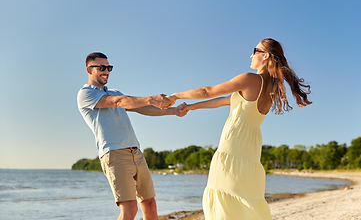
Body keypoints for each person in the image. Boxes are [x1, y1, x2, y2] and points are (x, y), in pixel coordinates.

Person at [169, 38, 312, 220]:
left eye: (255, 50)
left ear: (265, 56)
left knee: (223, 203)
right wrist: (190, 107)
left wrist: (175, 96)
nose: (251, 55)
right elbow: (225, 101)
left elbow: (208, 91)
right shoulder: (269, 89)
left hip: (233, 147)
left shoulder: (250, 79)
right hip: (250, 153)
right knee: (244, 202)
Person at [77, 52, 182, 220]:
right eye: (102, 68)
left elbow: (140, 108)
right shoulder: (86, 94)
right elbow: (118, 102)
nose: (106, 71)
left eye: (109, 68)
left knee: (150, 204)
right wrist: (151, 98)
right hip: (114, 154)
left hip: (136, 152)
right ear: (89, 70)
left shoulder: (115, 92)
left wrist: (173, 111)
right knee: (130, 209)